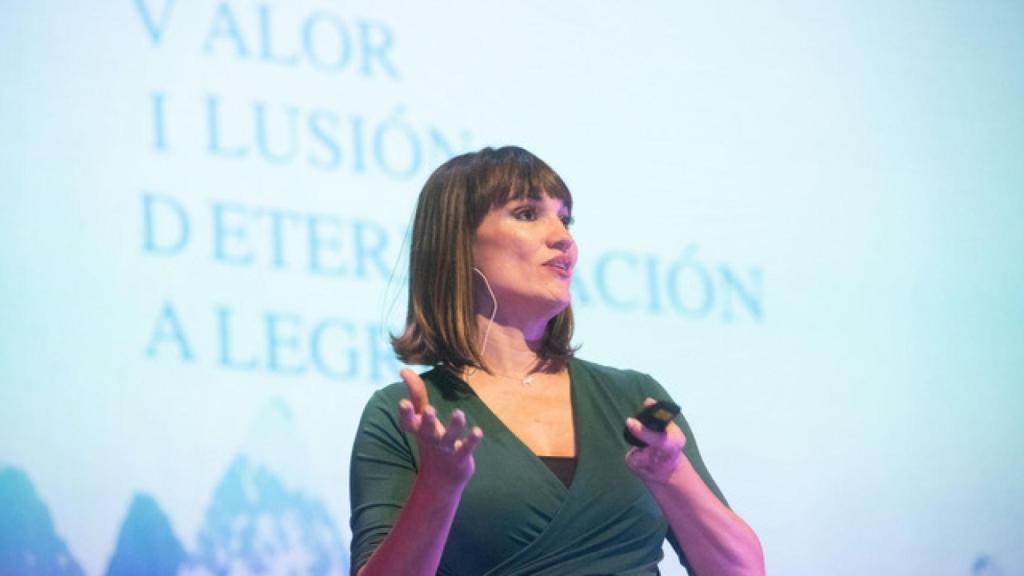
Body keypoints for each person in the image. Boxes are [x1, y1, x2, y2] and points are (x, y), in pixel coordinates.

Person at [349, 146, 764, 576]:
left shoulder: (633, 398)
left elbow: (743, 571)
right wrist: (437, 487)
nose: (563, 237)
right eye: (527, 214)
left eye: (565, 219)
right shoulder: (404, 416)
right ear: (458, 244)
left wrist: (672, 474)